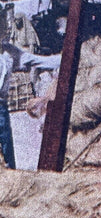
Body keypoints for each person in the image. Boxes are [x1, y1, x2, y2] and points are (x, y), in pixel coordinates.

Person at [0, 23, 61, 169]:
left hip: (1, 108)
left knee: (6, 152)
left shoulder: (9, 53)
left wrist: (71, 55)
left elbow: (41, 61)